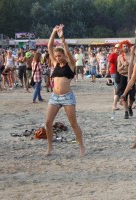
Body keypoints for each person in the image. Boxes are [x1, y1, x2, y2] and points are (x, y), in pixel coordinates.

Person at [46, 24, 85, 156]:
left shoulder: (71, 65)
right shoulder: (55, 63)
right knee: (47, 122)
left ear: (63, 55)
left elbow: (68, 52)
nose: (57, 57)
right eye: (56, 56)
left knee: (73, 123)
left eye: (59, 55)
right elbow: (49, 46)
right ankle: (50, 148)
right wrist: (53, 32)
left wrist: (62, 38)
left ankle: (81, 147)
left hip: (67, 97)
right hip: (54, 97)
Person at [117, 40, 135, 118]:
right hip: (123, 77)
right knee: (124, 95)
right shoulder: (120, 57)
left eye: (126, 46)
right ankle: (126, 111)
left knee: (132, 95)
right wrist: (124, 65)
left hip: (132, 77)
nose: (125, 47)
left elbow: (135, 67)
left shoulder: (132, 56)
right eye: (123, 46)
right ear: (121, 47)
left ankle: (130, 106)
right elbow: (119, 70)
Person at [106, 45, 120, 110]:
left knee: (115, 87)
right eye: (116, 48)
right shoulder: (113, 55)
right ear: (114, 49)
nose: (118, 49)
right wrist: (107, 71)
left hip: (118, 72)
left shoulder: (119, 55)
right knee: (117, 87)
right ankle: (115, 104)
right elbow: (109, 63)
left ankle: (115, 100)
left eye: (118, 48)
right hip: (114, 72)